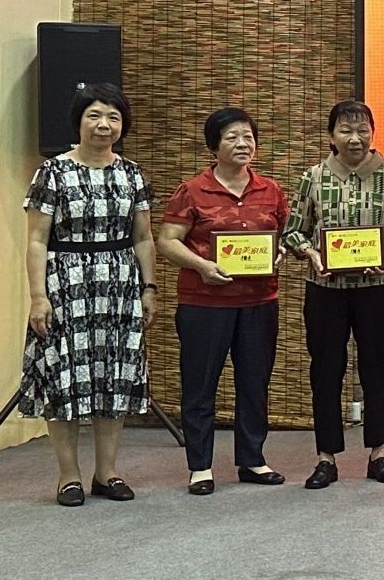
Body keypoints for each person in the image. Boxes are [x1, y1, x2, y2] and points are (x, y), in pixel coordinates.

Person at [21, 83, 156, 506]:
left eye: (113, 117)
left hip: (120, 288)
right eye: (94, 115)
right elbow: (37, 240)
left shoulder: (132, 174)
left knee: (113, 379)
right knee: (64, 379)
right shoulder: (52, 172)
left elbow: (144, 238)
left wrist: (149, 288)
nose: (104, 125)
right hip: (66, 284)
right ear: (78, 121)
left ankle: (107, 473)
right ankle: (69, 477)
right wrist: (38, 296)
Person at [282, 98, 384, 489]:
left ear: (373, 133)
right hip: (326, 289)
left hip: (376, 289)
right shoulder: (314, 176)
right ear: (331, 135)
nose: (355, 138)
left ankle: (378, 453)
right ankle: (325, 458)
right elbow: (293, 231)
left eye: (363, 130)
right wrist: (311, 253)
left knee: (377, 368)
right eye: (346, 130)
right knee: (326, 370)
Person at [155, 108, 287, 495]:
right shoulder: (192, 190)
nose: (242, 144)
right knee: (200, 384)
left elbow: (284, 235)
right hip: (204, 303)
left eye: (248, 136)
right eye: (231, 137)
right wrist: (202, 266)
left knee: (254, 383)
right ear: (214, 145)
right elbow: (167, 241)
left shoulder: (271, 190)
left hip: (259, 302)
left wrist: (278, 253)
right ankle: (200, 466)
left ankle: (252, 460)